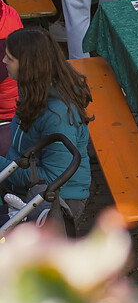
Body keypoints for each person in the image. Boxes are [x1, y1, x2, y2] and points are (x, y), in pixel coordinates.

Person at [2, 29, 91, 232]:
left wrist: (4, 169)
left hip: (58, 200)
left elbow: (53, 178)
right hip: (27, 177)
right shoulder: (34, 85)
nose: (4, 61)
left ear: (29, 66)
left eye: (10, 58)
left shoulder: (58, 117)